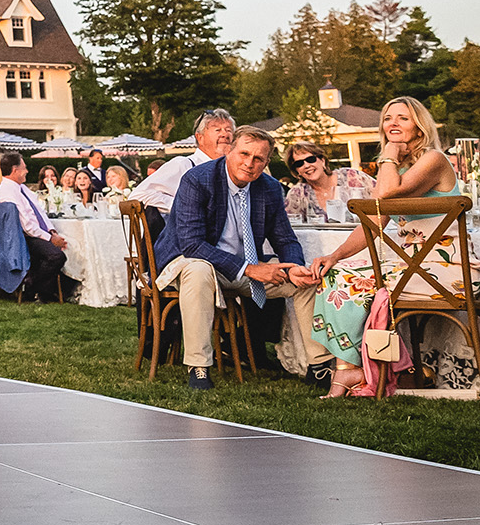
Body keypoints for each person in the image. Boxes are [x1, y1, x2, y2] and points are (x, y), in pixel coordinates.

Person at [308, 98, 469, 396]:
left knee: (347, 282)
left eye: (403, 119)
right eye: (387, 118)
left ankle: (355, 372)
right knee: (334, 273)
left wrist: (389, 153)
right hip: (412, 266)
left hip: (446, 270)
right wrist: (335, 254)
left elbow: (383, 197)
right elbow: (375, 220)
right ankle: (348, 370)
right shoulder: (398, 169)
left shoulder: (434, 160)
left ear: (419, 127)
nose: (392, 123)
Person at [156, 126, 326, 392]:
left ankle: (319, 366)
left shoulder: (269, 188)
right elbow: (192, 245)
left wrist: (294, 268)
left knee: (306, 281)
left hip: (243, 266)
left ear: (267, 162)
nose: (249, 163)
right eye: (244, 153)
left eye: (259, 159)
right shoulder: (197, 179)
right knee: (199, 270)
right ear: (229, 150)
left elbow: (285, 238)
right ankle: (199, 367)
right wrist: (249, 269)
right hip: (193, 262)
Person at [129, 109, 235, 238]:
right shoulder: (184, 165)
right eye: (217, 130)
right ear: (199, 137)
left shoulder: (237, 171)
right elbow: (138, 195)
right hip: (193, 246)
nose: (225, 134)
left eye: (229, 130)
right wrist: (185, 207)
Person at [0, 153, 68, 300]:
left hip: (32, 234)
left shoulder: (21, 188)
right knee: (56, 256)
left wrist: (51, 231)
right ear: (15, 170)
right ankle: (35, 288)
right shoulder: (8, 191)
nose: (27, 171)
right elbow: (27, 225)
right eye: (24, 168)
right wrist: (50, 238)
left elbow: (39, 212)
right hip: (20, 239)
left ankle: (63, 289)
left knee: (69, 244)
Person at [283, 142, 375, 224]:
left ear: (322, 161)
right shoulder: (297, 194)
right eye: (299, 164)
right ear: (297, 171)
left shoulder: (352, 176)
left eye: (310, 159)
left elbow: (383, 195)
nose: (306, 165)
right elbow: (289, 226)